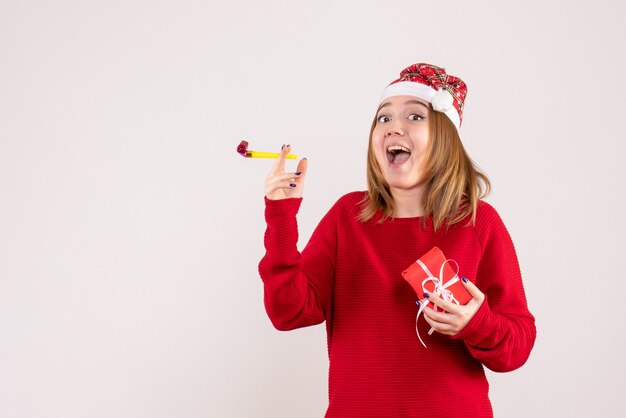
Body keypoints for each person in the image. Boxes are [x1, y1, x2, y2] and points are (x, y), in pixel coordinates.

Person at [259, 63, 536, 418]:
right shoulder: (347, 216)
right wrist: (281, 217)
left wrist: (476, 324)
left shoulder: (479, 223)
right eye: (383, 118)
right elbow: (289, 312)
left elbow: (517, 347)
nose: (394, 127)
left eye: (415, 116)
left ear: (445, 137)